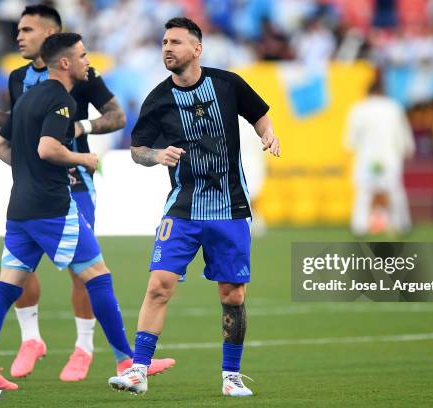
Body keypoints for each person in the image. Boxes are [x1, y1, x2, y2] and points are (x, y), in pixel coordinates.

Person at [0, 4, 173, 381]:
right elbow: (48, 148)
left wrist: (30, 171)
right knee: (98, 276)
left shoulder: (28, 96)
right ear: (64, 62)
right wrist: (82, 157)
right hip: (53, 205)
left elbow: (0, 147)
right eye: (82, 56)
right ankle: (126, 361)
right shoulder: (60, 99)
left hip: (20, 208)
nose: (87, 61)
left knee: (5, 287)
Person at [108, 17, 280, 397]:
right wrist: (156, 155)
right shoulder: (158, 98)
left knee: (232, 295)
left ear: (196, 49)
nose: (167, 48)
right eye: (164, 42)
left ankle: (231, 376)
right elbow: (136, 150)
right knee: (158, 286)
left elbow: (259, 114)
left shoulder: (227, 84)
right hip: (182, 210)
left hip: (229, 209)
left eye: (176, 42)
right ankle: (138, 370)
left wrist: (268, 134)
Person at [345, 75, 415, 236]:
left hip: (367, 157)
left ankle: (360, 226)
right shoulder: (393, 107)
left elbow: (351, 139)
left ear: (368, 93)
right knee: (395, 190)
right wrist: (408, 148)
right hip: (389, 157)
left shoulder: (359, 109)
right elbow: (403, 132)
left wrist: (352, 147)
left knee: (364, 192)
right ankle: (401, 224)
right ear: (382, 92)